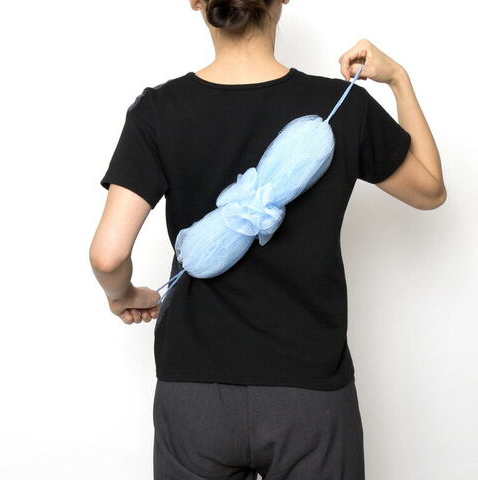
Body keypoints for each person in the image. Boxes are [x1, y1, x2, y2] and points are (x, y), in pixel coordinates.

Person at [89, 1, 447, 478]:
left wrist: (125, 295)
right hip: (309, 394)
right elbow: (430, 190)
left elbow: (108, 255)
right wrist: (398, 78)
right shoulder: (342, 105)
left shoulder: (159, 109)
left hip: (194, 392)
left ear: (197, 2)